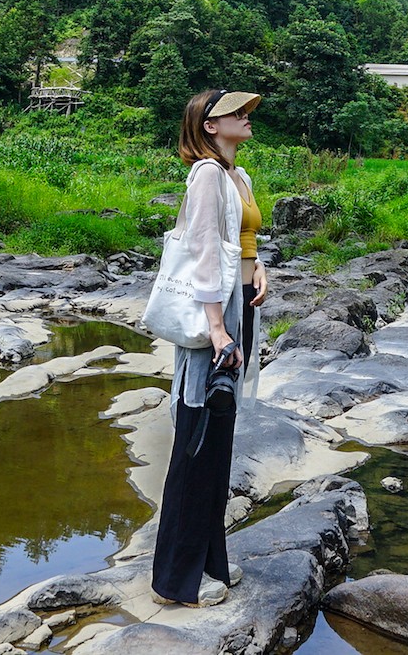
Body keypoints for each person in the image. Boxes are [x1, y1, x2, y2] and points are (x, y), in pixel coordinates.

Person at [149, 87, 269, 607]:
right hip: (214, 314)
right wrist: (217, 329)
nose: (245, 117)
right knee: (197, 439)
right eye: (233, 113)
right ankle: (176, 583)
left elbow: (243, 242)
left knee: (219, 438)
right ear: (208, 125)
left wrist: (259, 267)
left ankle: (210, 564)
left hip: (239, 303)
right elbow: (201, 251)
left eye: (245, 111)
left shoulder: (235, 175)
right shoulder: (205, 176)